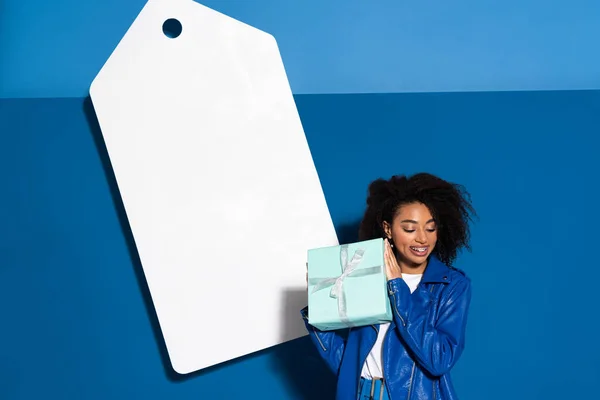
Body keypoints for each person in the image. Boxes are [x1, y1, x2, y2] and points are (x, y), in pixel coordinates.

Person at [301, 172, 477, 400]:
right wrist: (318, 307)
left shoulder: (451, 285)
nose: (422, 239)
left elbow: (439, 360)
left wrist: (397, 287)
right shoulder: (365, 275)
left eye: (431, 228)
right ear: (388, 229)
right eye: (410, 229)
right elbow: (348, 363)